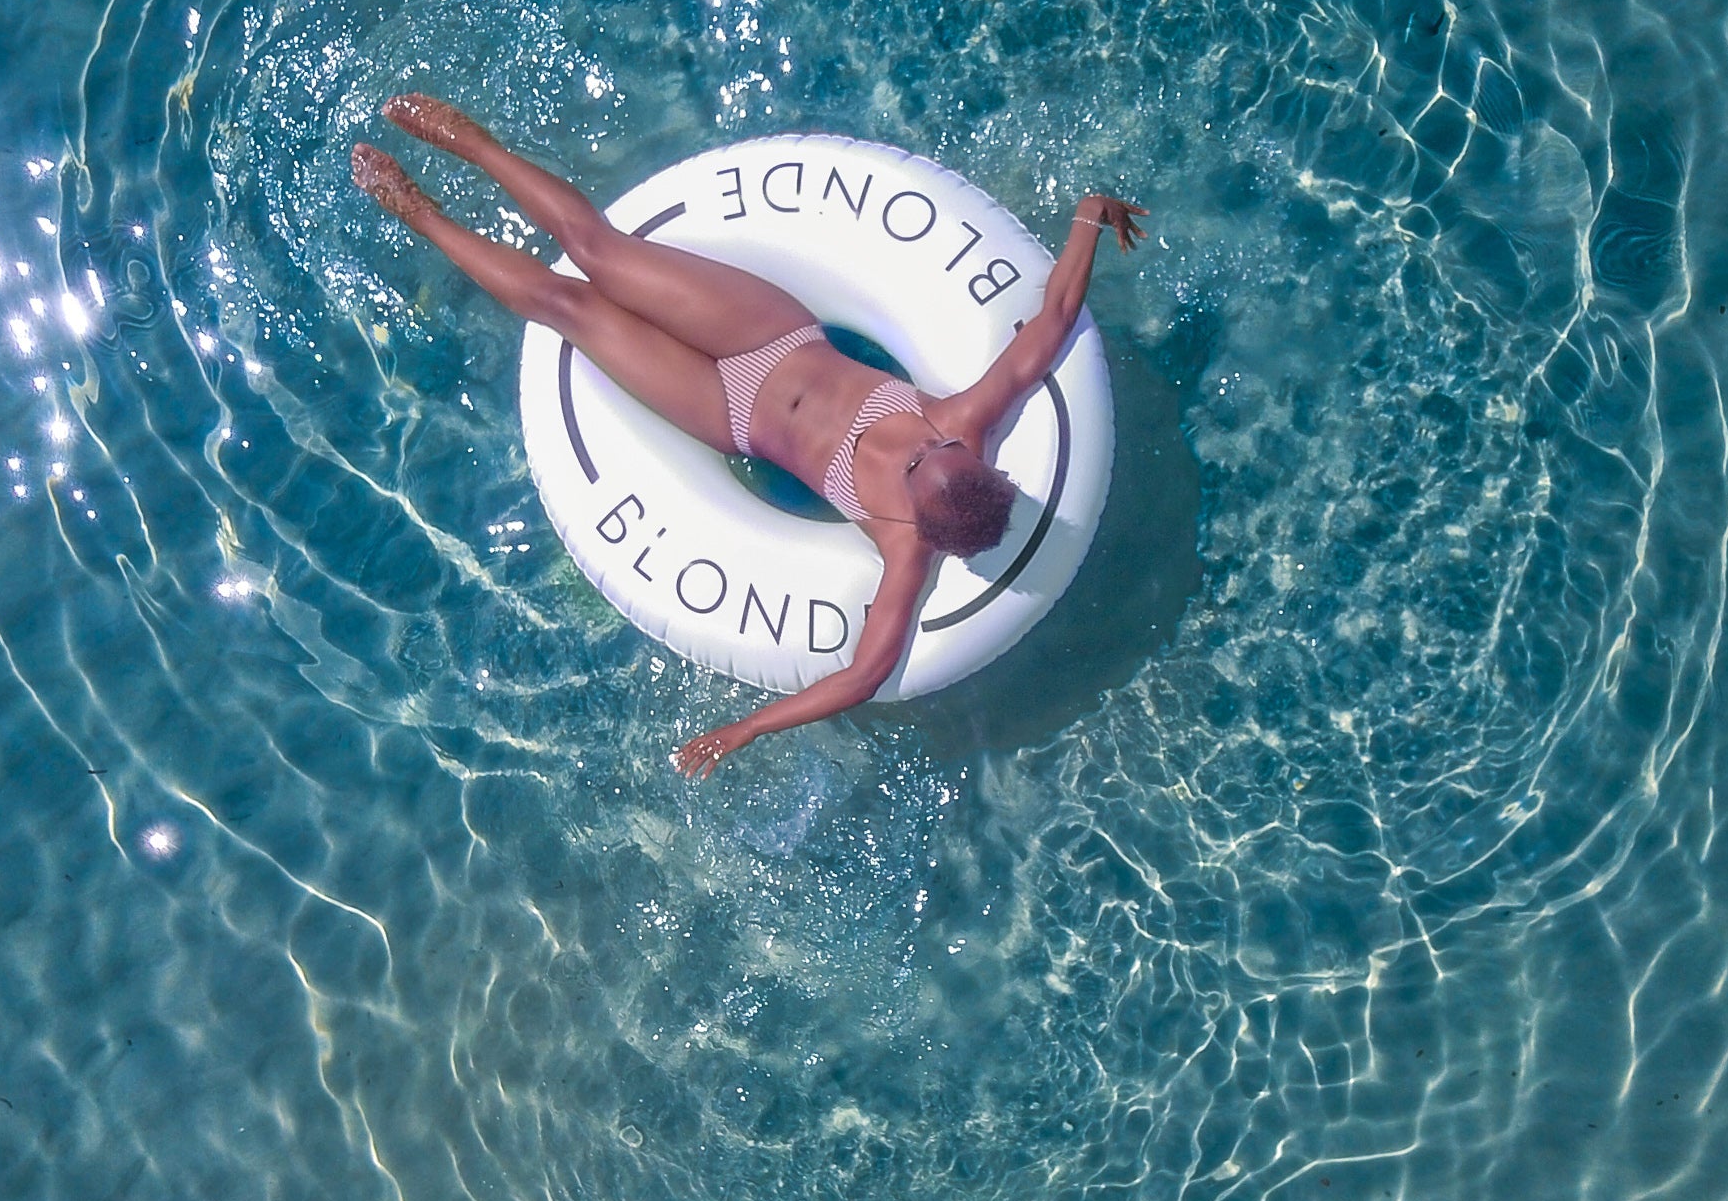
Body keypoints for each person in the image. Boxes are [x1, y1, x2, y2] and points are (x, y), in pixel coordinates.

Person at [351, 96, 1145, 777]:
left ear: (921, 517)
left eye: (912, 472)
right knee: (597, 250)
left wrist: (750, 726)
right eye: (930, 452)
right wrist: (1088, 214)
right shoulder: (960, 420)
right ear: (964, 459)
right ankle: (474, 140)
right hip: (774, 335)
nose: (910, 451)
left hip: (727, 411)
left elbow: (867, 674)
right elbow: (1050, 323)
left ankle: (422, 216)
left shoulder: (906, 550)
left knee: (569, 308)